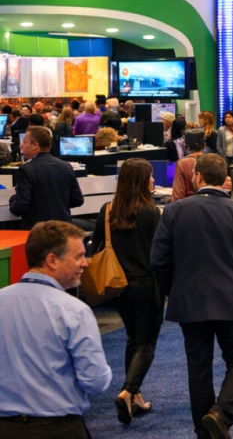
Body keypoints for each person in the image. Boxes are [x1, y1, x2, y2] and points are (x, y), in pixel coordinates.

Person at [151, 153, 233, 438]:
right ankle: (221, 414)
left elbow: (158, 260)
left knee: (199, 367)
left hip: (189, 301)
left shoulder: (174, 211)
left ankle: (205, 430)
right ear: (224, 178)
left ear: (198, 177)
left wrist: (174, 288)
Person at [0, 221, 111, 438]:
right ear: (52, 260)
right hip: (58, 429)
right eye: (78, 256)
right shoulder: (74, 310)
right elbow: (96, 381)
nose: (85, 263)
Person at [89, 158, 163, 424]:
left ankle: (135, 395)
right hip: (146, 285)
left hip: (117, 287)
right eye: (151, 177)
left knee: (133, 338)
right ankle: (128, 391)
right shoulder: (152, 212)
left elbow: (94, 250)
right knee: (147, 343)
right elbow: (159, 254)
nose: (154, 181)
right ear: (142, 181)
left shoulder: (107, 210)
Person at [9, 126, 83, 230]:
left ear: (35, 145)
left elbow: (20, 207)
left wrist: (12, 200)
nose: (21, 146)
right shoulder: (66, 166)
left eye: (24, 142)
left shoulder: (26, 170)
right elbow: (77, 200)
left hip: (38, 232)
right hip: (64, 228)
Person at [171, 129, 213, 201]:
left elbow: (177, 197)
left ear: (186, 147)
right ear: (205, 145)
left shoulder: (182, 163)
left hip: (189, 208)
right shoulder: (214, 161)